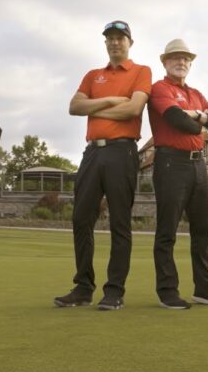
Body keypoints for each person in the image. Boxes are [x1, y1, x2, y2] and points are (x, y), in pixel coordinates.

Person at [53, 20, 151, 311]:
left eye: (120, 38)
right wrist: (110, 100)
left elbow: (134, 108)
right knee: (81, 218)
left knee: (120, 222)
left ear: (129, 42)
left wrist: (95, 108)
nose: (114, 42)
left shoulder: (141, 71)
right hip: (92, 154)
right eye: (109, 38)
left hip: (122, 152)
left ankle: (114, 291)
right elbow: (74, 107)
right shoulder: (93, 75)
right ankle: (83, 288)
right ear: (105, 43)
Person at [147, 38, 208, 309]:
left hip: (199, 165)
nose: (181, 62)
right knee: (167, 230)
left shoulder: (196, 93)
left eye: (186, 59)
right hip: (171, 163)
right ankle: (167, 291)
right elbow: (177, 121)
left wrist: (195, 113)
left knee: (204, 229)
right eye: (175, 58)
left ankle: (204, 289)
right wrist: (199, 121)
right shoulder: (159, 88)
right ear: (165, 62)